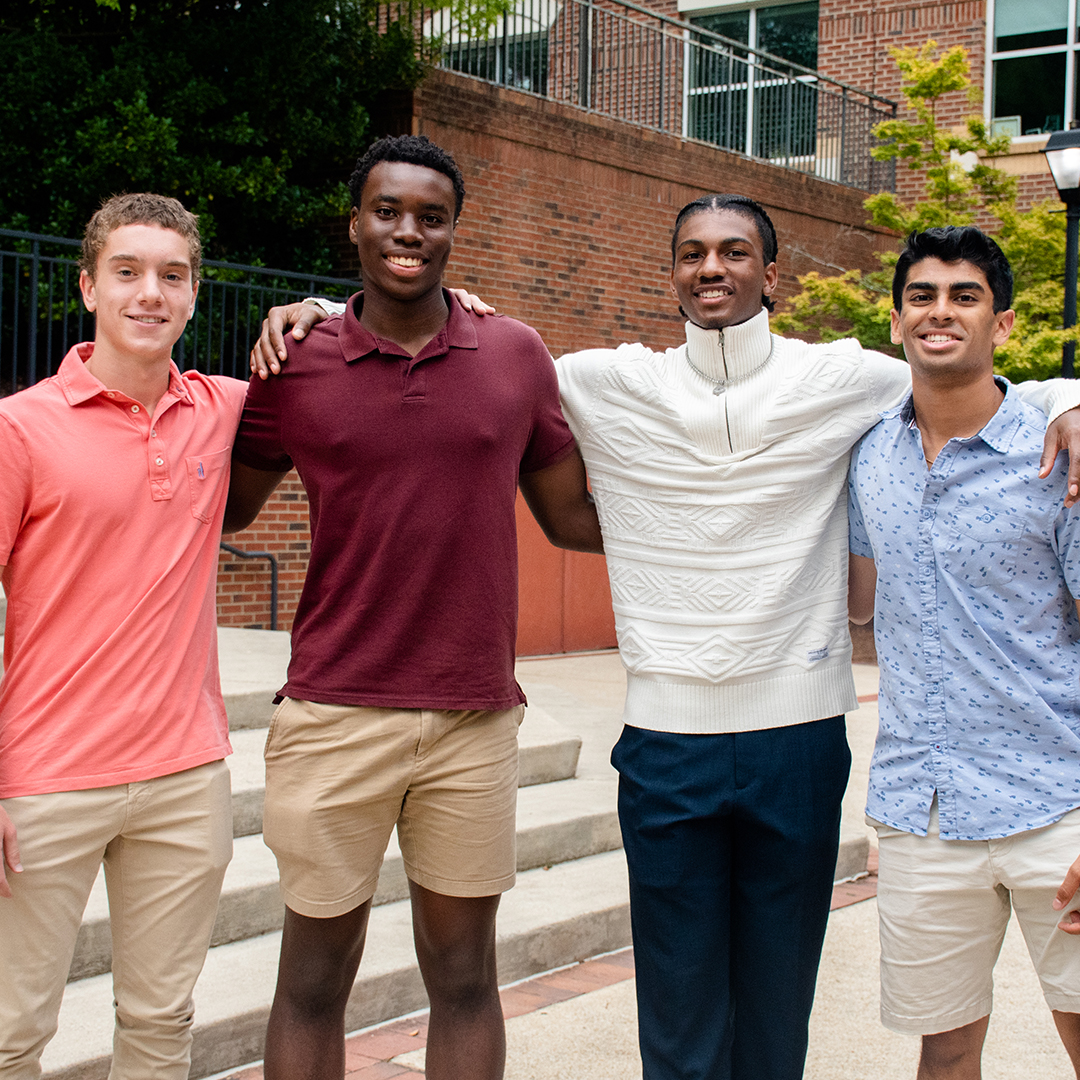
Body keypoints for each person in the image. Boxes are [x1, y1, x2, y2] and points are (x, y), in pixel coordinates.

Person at [252, 194, 1080, 1080]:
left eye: (733, 251)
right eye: (692, 253)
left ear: (774, 274)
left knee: (774, 1017)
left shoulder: (847, 378)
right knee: (678, 1016)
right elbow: (457, 345)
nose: (712, 267)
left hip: (797, 741)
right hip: (665, 742)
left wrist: (1070, 395)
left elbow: (971, 383)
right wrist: (331, 316)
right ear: (673, 274)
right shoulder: (605, 380)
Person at [222, 134, 602, 1080]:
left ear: (452, 231)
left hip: (472, 717)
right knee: (312, 980)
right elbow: (221, 506)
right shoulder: (296, 361)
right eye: (388, 211)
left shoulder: (514, 354)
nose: (408, 231)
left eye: (431, 217)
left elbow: (571, 519)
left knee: (466, 975)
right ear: (354, 223)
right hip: (333, 710)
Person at [0, 194, 246, 1079]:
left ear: (191, 293)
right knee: (9, 1033)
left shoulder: (221, 410)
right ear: (89, 287)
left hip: (185, 778)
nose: (151, 293)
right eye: (128, 272)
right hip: (43, 783)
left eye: (172, 275)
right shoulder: (20, 427)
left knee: (159, 1023)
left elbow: (352, 357)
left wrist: (324, 308)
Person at [847, 226, 1080, 1079]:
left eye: (964, 296)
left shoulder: (1060, 455)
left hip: (1060, 799)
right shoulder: (869, 456)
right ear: (898, 320)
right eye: (923, 296)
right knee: (943, 1051)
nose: (941, 312)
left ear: (1002, 324)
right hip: (924, 806)